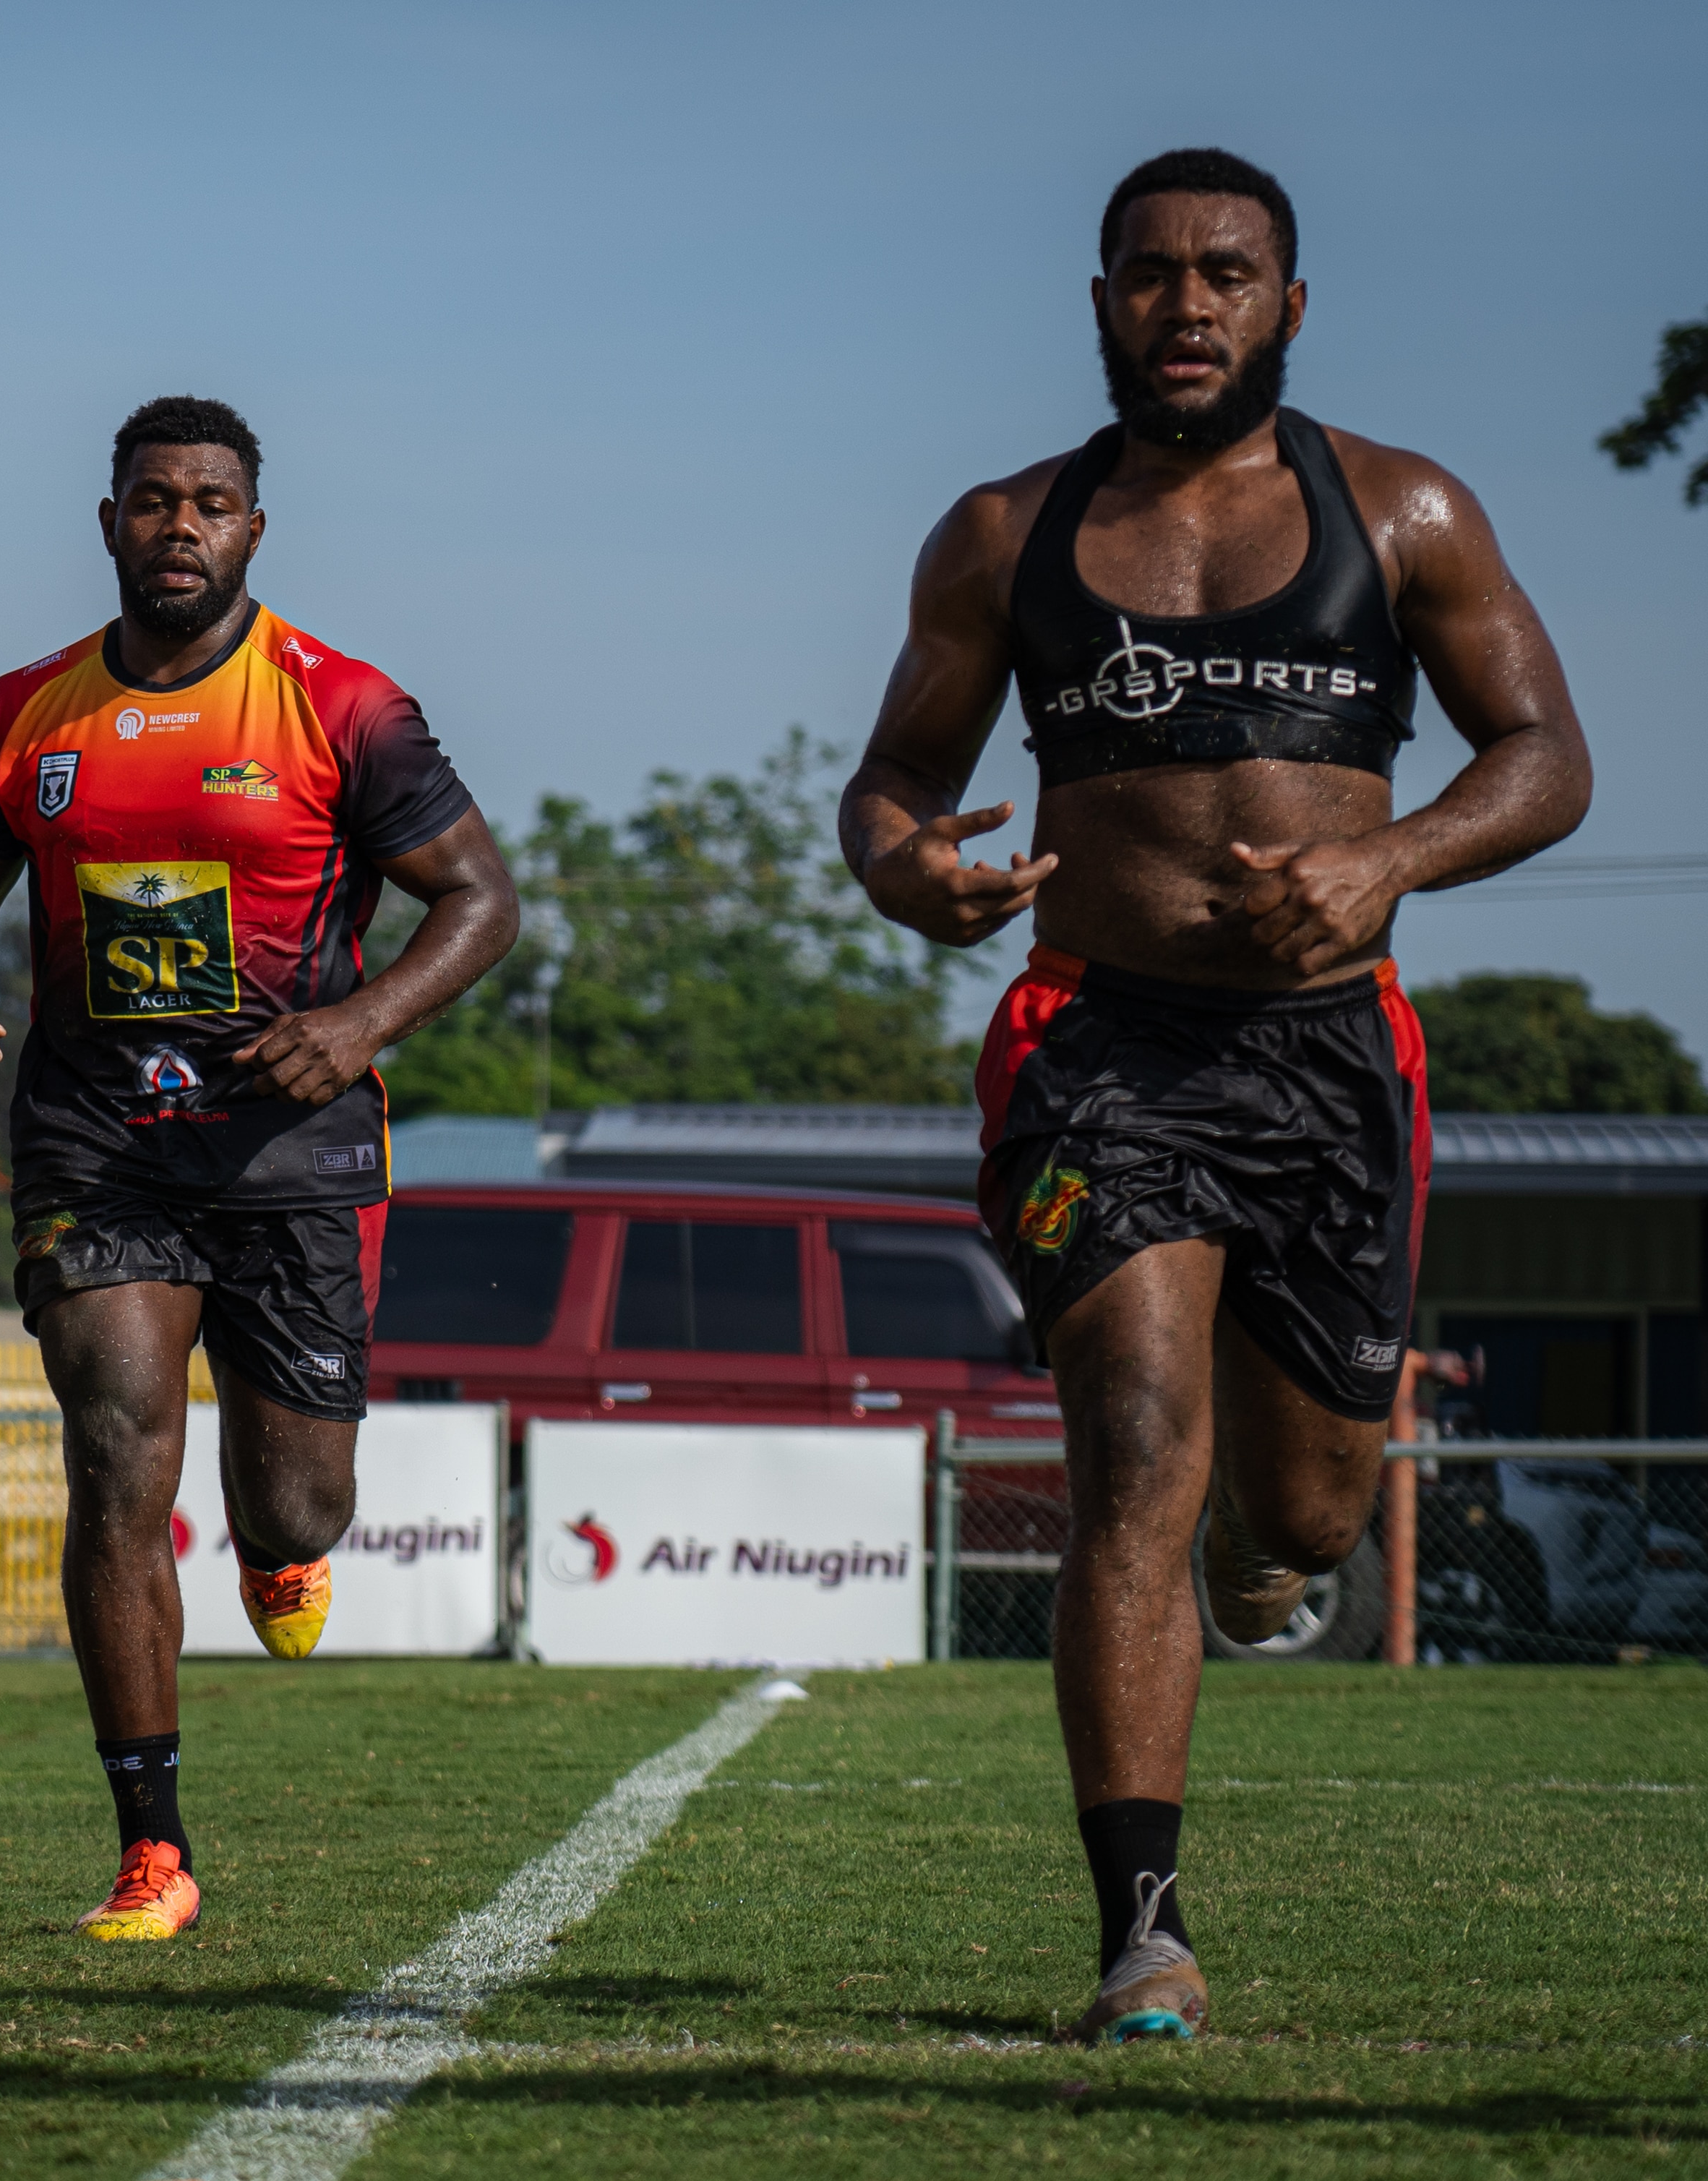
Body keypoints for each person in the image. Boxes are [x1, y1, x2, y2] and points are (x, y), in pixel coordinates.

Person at [839, 148, 1589, 2044]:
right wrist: (906, 868)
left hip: (1329, 1056)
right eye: (1150, 274)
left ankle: (1273, 1549)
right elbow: (886, 787)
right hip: (1097, 1043)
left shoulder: (1401, 508)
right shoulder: (997, 531)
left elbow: (1542, 752)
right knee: (1130, 1444)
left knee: (1308, 1520)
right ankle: (1139, 1939)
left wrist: (1389, 863)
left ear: (1285, 305)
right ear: (1097, 301)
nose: (1185, 305)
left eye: (1224, 275)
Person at [0, 396, 517, 1943]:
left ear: (252, 527)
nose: (180, 524)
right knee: (115, 1451)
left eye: (210, 501)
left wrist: (355, 1021)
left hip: (290, 1138)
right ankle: (151, 1846)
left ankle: (281, 1553)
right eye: (152, 499)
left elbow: (480, 899)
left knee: (297, 1502)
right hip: (100, 1142)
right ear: (106, 521)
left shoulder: (340, 704)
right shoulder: (19, 716)